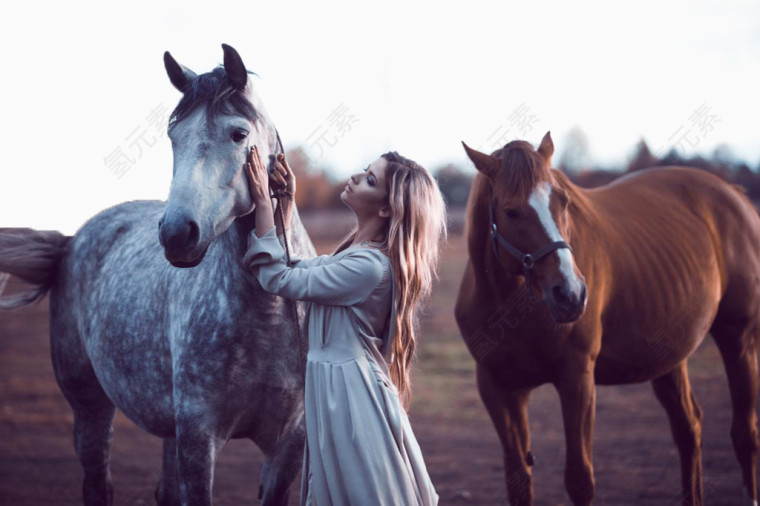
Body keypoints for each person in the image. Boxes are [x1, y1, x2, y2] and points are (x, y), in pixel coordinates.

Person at [243, 145, 445, 505]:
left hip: (350, 396)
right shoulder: (355, 255)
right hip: (338, 386)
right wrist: (285, 206)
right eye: (365, 170)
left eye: (369, 180)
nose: (355, 177)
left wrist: (262, 202)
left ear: (385, 208)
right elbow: (296, 267)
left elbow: (276, 277)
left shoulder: (368, 267)